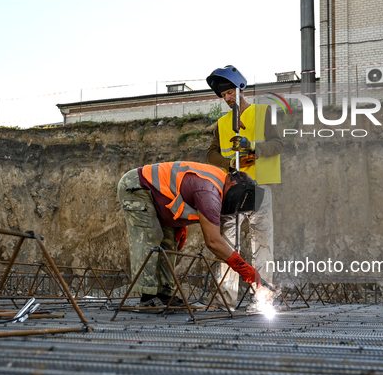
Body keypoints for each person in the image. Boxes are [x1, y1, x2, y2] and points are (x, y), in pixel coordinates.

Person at [117, 160, 264, 308]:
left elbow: (183, 191)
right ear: (234, 187)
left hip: (158, 197)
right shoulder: (210, 191)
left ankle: (164, 295)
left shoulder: (218, 181)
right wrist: (244, 268)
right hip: (138, 187)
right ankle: (147, 297)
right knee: (150, 236)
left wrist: (179, 223)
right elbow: (213, 241)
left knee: (170, 241)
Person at [206, 65, 283, 311]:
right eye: (223, 95)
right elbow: (211, 153)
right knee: (228, 244)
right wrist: (227, 163)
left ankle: (263, 298)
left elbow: (279, 144)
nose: (227, 98)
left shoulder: (264, 113)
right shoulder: (221, 123)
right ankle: (226, 299)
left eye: (230, 92)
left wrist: (253, 147)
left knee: (262, 244)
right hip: (233, 189)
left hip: (259, 188)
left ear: (240, 89)